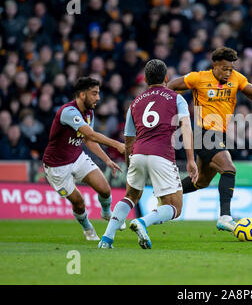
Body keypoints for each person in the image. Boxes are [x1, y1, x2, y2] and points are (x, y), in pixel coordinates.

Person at [98, 59, 198, 249]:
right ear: (167, 78)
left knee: (130, 196)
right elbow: (186, 127)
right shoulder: (176, 98)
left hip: (137, 153)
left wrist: (130, 164)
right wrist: (191, 159)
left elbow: (128, 140)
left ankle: (106, 239)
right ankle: (143, 222)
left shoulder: (135, 103)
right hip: (161, 155)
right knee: (175, 207)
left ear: (145, 79)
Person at [167, 47, 252, 232]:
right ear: (215, 65)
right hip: (203, 133)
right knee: (229, 169)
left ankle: (165, 196)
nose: (228, 73)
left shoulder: (237, 78)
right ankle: (225, 217)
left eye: (230, 69)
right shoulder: (199, 78)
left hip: (219, 135)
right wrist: (171, 111)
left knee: (201, 182)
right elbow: (171, 85)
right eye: (224, 69)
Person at [42, 77, 126, 241]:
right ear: (82, 94)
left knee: (105, 189)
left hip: (77, 157)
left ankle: (107, 213)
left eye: (98, 93)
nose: (98, 98)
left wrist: (107, 159)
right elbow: (90, 134)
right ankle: (88, 229)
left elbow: (88, 140)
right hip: (56, 166)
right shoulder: (68, 112)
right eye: (94, 94)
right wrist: (117, 145)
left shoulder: (89, 112)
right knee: (79, 202)